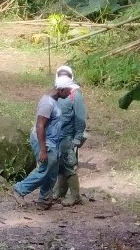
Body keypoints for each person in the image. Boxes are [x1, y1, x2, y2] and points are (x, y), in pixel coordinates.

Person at [11, 75, 74, 210]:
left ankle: (44, 201)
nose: (70, 93)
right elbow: (40, 126)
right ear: (61, 90)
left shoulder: (55, 100)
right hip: (44, 141)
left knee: (52, 172)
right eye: (69, 90)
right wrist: (43, 149)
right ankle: (19, 189)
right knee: (45, 170)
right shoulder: (47, 103)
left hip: (51, 141)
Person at [53, 64, 86, 206]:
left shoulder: (75, 96)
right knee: (60, 164)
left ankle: (75, 196)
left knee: (69, 164)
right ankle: (60, 192)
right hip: (56, 136)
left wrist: (78, 138)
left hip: (68, 137)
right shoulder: (56, 94)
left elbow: (80, 118)